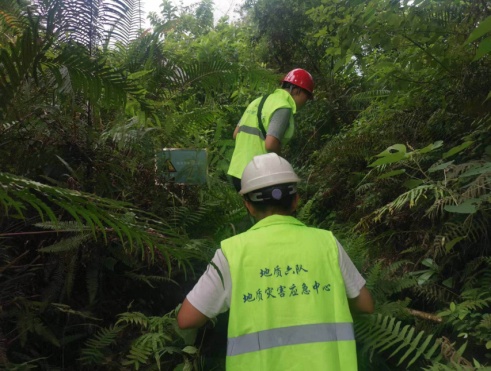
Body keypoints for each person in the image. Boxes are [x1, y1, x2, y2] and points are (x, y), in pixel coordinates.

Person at [178, 153, 374, 370]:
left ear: (248, 206)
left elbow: (187, 319)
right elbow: (365, 304)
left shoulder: (231, 253)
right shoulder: (327, 243)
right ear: (296, 200)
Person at [227, 68, 314, 192]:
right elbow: (271, 144)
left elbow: (236, 134)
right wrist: (281, 164)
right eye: (307, 96)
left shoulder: (256, 102)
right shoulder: (283, 106)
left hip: (237, 172)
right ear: (297, 91)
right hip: (259, 174)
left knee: (253, 210)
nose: (306, 102)